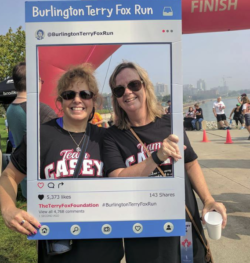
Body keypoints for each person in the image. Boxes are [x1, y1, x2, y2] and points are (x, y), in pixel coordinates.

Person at [103, 62, 227, 263]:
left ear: (145, 86)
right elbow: (117, 177)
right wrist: (156, 157)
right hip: (142, 230)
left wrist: (208, 200)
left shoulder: (171, 123)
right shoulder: (112, 136)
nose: (127, 92)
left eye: (134, 85)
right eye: (119, 89)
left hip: (183, 223)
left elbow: (190, 163)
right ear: (115, 97)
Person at [0, 64, 124, 263]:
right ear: (60, 101)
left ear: (94, 100)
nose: (77, 100)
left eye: (85, 94)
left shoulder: (106, 138)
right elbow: (9, 175)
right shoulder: (41, 135)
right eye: (69, 94)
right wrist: (8, 209)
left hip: (104, 250)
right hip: (57, 251)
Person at [6, 62, 57, 198]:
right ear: (34, 81)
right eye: (40, 80)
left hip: (22, 173)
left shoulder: (10, 109)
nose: (41, 83)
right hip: (44, 179)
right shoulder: (41, 110)